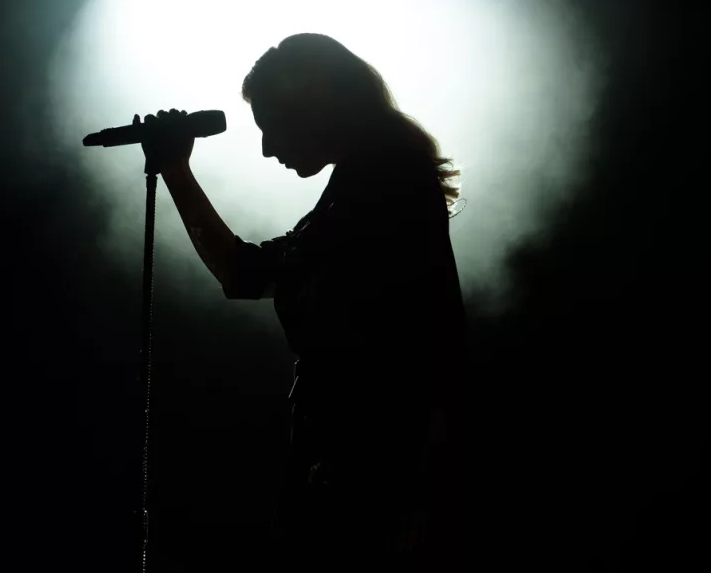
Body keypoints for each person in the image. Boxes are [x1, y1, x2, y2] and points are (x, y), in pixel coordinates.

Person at [135, 33, 466, 572]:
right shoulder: (367, 183)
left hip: (372, 481)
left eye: (272, 125)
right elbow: (243, 274)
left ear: (316, 106)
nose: (268, 148)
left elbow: (245, 274)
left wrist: (175, 168)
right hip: (359, 475)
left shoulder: (383, 185)